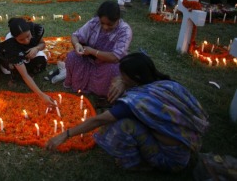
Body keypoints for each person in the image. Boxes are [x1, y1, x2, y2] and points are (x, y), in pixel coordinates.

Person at [46, 52, 209, 172]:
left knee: (119, 125)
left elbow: (98, 120)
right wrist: (122, 82)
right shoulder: (168, 85)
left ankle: (135, 164)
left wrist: (65, 134)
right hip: (186, 148)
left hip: (171, 160)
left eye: (122, 75)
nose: (119, 77)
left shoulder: (137, 102)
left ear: (135, 77)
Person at [63, 1, 132, 97]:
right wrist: (77, 44)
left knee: (113, 69)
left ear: (117, 20)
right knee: (72, 56)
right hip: (89, 61)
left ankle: (99, 91)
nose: (105, 27)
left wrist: (92, 51)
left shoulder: (124, 30)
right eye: (102, 23)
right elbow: (75, 36)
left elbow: (115, 57)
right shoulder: (94, 22)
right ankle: (76, 83)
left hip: (106, 65)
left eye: (110, 24)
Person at [0, 17, 56, 107]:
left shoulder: (34, 29)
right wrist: (42, 95)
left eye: (28, 36)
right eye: (21, 39)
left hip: (27, 53)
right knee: (15, 69)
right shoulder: (11, 45)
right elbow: (24, 75)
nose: (26, 41)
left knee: (40, 60)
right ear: (14, 37)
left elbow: (42, 44)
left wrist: (36, 48)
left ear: (29, 30)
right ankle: (14, 78)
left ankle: (30, 72)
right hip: (11, 59)